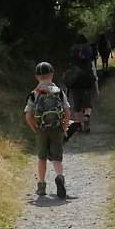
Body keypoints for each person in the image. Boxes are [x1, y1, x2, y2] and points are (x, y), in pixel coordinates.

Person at [24, 61, 71, 199]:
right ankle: (60, 177)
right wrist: (64, 127)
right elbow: (67, 112)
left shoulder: (34, 94)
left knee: (41, 157)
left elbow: (27, 115)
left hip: (41, 130)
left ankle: (42, 185)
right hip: (57, 129)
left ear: (37, 77)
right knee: (57, 158)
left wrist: (35, 128)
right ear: (52, 75)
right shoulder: (59, 92)